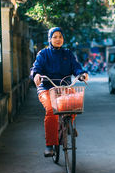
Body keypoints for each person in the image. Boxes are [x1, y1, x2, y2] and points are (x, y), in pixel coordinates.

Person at [30, 27, 89, 157]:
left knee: (74, 104)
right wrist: (36, 75)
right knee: (51, 110)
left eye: (60, 37)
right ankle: (50, 145)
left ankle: (68, 125)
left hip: (64, 87)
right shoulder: (43, 54)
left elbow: (76, 67)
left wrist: (82, 74)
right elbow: (36, 68)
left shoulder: (68, 53)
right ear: (50, 39)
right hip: (46, 87)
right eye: (55, 37)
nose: (58, 39)